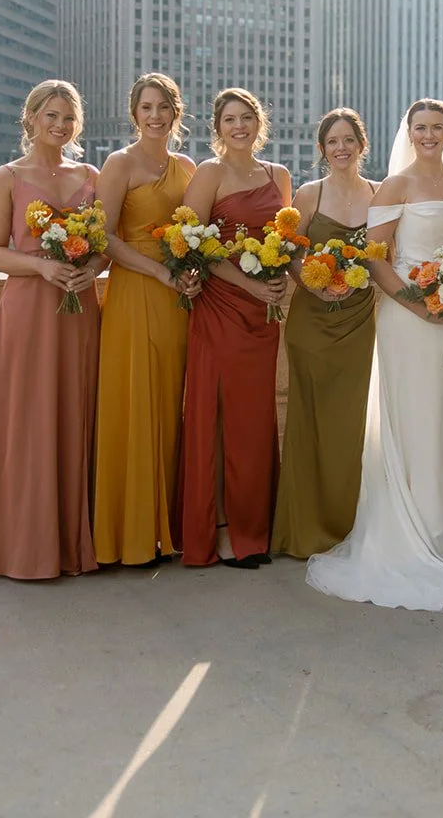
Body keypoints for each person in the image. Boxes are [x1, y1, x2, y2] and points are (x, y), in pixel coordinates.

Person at [307, 100, 443, 610]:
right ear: (409, 132)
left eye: (437, 128)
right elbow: (374, 254)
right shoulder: (395, 185)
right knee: (412, 420)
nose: (429, 136)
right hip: (409, 322)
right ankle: (409, 532)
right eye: (420, 129)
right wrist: (417, 303)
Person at [0, 80, 102, 580]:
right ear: (30, 119)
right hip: (29, 309)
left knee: (76, 411)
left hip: (80, 309)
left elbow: (105, 242)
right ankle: (23, 547)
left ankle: (73, 542)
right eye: (51, 115)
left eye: (69, 117)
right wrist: (43, 268)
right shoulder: (6, 176)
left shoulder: (91, 174)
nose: (60, 125)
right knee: (28, 420)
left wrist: (93, 268)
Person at [175, 88, 294, 568]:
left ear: (259, 122)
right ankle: (212, 533)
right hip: (221, 307)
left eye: (247, 117)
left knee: (253, 420)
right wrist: (247, 285)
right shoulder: (209, 173)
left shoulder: (278, 176)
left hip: (262, 314)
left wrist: (279, 279)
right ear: (217, 126)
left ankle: (253, 531)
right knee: (213, 418)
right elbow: (191, 244)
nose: (239, 126)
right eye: (229, 119)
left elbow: (284, 243)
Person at [91, 72, 199, 567]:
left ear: (176, 113)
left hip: (178, 300)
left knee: (170, 407)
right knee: (135, 402)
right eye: (145, 108)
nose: (154, 116)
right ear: (133, 114)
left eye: (163, 107)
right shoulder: (119, 163)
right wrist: (159, 270)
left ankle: (167, 528)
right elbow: (104, 238)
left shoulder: (189, 167)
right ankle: (129, 534)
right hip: (136, 292)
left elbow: (197, 232)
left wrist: (187, 273)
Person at [272, 108, 379, 558]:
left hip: (359, 324)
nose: (340, 148)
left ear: (361, 145)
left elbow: (388, 254)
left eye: (348, 140)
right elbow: (288, 250)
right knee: (310, 422)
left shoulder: (379, 194)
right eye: (332, 141)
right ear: (322, 149)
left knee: (352, 426)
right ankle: (307, 529)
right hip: (312, 323)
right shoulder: (309, 193)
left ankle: (350, 523)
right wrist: (311, 280)